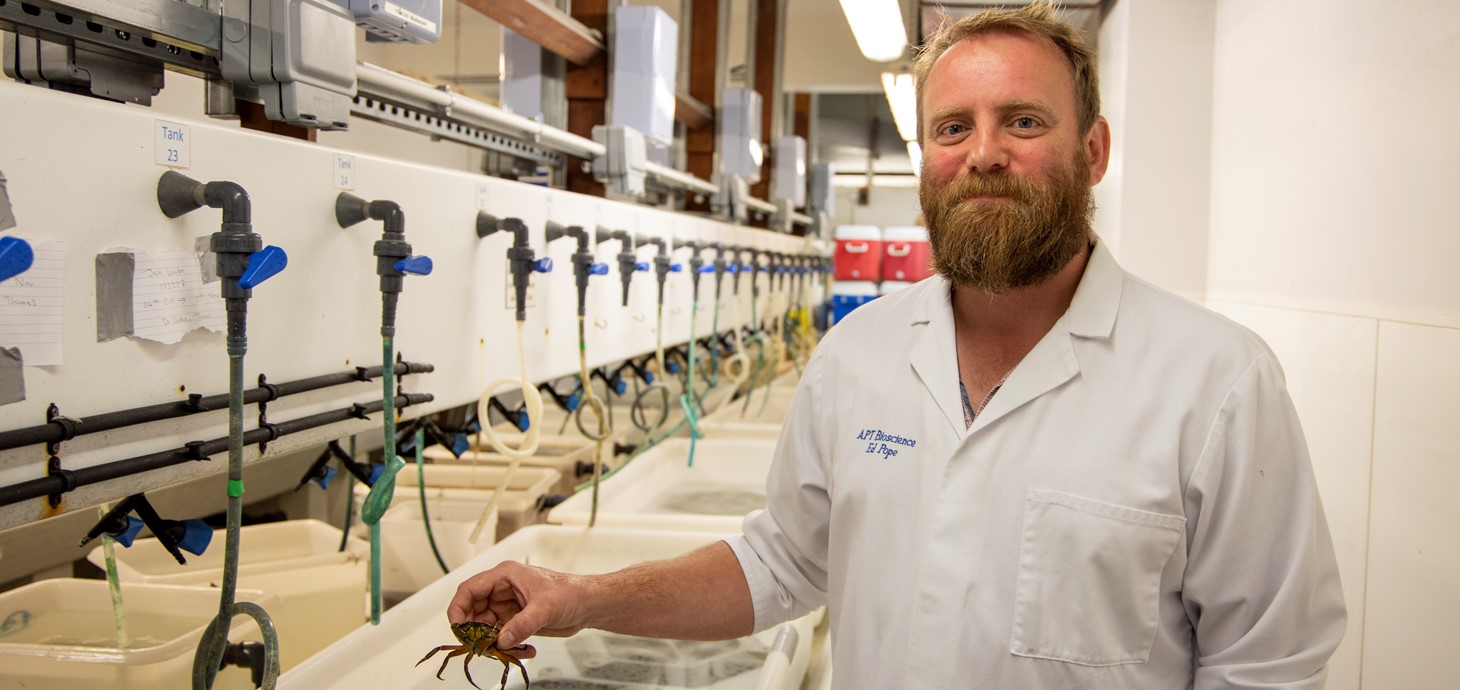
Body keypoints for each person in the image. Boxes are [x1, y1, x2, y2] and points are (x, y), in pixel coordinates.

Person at [449, 2, 1347, 687]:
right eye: (953, 128)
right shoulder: (859, 355)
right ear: (926, 157)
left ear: (1095, 149)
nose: (983, 153)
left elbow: (1271, 660)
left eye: (1024, 122)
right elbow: (782, 563)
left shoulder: (1217, 383)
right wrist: (583, 598)